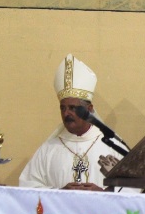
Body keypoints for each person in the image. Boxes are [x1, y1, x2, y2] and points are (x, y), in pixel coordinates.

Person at [19, 53, 125, 191]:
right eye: (62, 108)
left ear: (90, 109)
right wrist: (60, 193)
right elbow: (28, 187)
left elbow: (134, 189)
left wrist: (103, 193)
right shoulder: (48, 149)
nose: (66, 113)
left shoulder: (112, 146)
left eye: (72, 108)